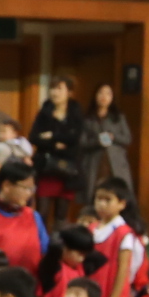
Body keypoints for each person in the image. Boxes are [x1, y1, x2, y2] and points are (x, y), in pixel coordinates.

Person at [29, 77, 81, 223]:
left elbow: (75, 138)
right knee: (42, 212)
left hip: (67, 168)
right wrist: (55, 143)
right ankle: (41, 244)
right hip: (46, 167)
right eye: (52, 88)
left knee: (61, 215)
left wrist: (52, 135)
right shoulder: (44, 111)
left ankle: (58, 244)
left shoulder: (75, 112)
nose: (54, 92)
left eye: (59, 88)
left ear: (69, 92)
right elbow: (34, 137)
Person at [76, 79, 133, 209]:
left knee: (117, 194)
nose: (104, 97)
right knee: (93, 196)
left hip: (115, 162)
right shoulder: (88, 118)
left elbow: (127, 139)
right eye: (101, 93)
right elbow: (82, 142)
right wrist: (97, 141)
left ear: (112, 97)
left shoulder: (118, 117)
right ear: (95, 96)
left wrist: (113, 137)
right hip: (94, 163)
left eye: (108, 94)